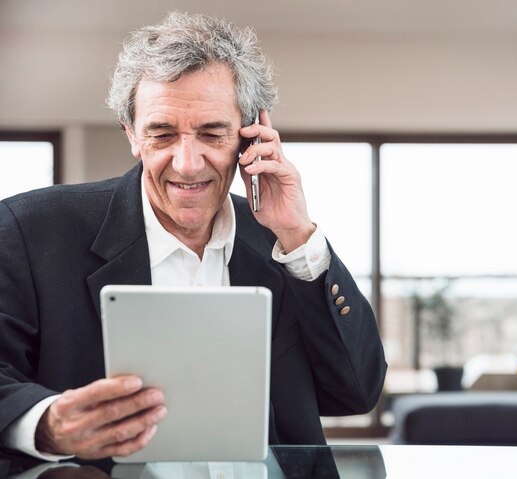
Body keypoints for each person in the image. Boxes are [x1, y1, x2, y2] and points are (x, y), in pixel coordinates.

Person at [0, 12, 386, 460]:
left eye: (212, 133)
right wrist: (47, 425)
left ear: (250, 136)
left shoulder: (282, 245)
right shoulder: (29, 229)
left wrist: (298, 237)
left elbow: (355, 393)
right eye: (161, 134)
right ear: (132, 134)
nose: (187, 163)